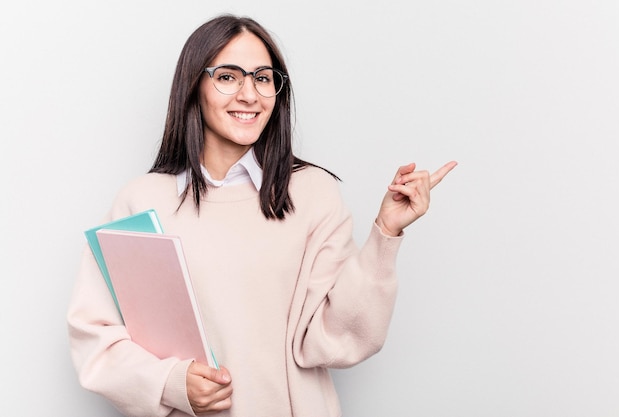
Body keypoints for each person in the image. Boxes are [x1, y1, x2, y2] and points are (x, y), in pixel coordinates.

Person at [67, 13, 457, 417]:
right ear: (193, 86)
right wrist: (169, 383)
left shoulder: (312, 193)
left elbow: (334, 337)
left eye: (263, 77)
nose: (250, 94)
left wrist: (386, 233)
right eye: (228, 76)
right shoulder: (141, 200)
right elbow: (95, 337)